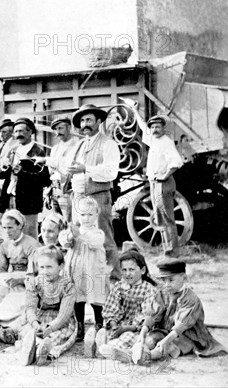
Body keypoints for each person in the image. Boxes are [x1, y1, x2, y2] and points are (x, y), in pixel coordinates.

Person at [106, 259, 228, 364]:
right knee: (150, 339)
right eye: (164, 280)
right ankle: (132, 353)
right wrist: (143, 333)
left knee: (169, 346)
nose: (167, 284)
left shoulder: (191, 299)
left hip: (187, 335)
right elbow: (153, 315)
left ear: (183, 278)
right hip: (166, 330)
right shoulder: (163, 293)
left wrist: (165, 340)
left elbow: (180, 327)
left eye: (171, 280)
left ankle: (147, 356)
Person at [67, 104, 121, 280]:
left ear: (99, 121)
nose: (85, 124)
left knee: (104, 238)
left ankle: (114, 278)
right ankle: (87, 278)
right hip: (78, 197)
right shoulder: (80, 144)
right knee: (79, 236)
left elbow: (111, 172)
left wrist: (85, 169)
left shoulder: (108, 143)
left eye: (89, 119)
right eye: (82, 120)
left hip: (98, 196)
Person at [131, 103, 185, 257]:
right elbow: (142, 126)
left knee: (167, 218)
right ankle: (167, 250)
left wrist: (164, 176)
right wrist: (135, 110)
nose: (154, 130)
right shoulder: (154, 140)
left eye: (157, 127)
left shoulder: (166, 141)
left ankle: (173, 253)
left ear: (163, 128)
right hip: (155, 184)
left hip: (163, 184)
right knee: (160, 217)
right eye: (152, 127)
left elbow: (176, 162)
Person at [58, 196, 110, 343]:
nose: (86, 218)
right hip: (77, 271)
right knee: (78, 300)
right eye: (82, 215)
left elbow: (94, 243)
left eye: (90, 215)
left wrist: (79, 236)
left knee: (95, 299)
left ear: (96, 215)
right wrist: (70, 236)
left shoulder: (97, 233)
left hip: (92, 271)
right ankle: (79, 327)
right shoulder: (75, 232)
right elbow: (65, 243)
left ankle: (99, 324)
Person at [95, 249, 157, 359]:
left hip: (137, 329)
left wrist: (126, 328)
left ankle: (121, 352)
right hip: (120, 325)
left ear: (142, 270)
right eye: (124, 270)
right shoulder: (119, 286)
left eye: (131, 270)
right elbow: (111, 307)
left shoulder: (148, 290)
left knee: (129, 338)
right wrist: (114, 326)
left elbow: (146, 316)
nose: (127, 274)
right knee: (106, 332)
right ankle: (104, 345)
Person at [0, 117, 51, 239]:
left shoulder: (37, 152)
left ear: (30, 132)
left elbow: (43, 179)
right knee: (11, 235)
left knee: (28, 235)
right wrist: (3, 167)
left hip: (29, 202)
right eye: (16, 132)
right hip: (11, 199)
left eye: (21, 131)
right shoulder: (13, 151)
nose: (18, 134)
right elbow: (0, 175)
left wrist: (22, 173)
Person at [0, 209, 40, 314]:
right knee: (1, 280)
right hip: (11, 280)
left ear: (20, 226)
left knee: (6, 281)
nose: (7, 231)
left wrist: (19, 279)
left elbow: (35, 271)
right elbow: (0, 269)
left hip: (27, 281)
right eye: (4, 228)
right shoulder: (5, 245)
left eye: (10, 227)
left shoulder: (31, 244)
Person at [35, 117, 79, 221]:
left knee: (70, 223)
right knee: (57, 223)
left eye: (60, 128)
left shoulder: (76, 147)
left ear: (69, 128)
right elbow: (52, 173)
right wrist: (48, 193)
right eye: (56, 129)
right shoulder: (55, 148)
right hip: (55, 191)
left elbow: (67, 166)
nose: (58, 132)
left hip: (68, 192)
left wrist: (46, 160)